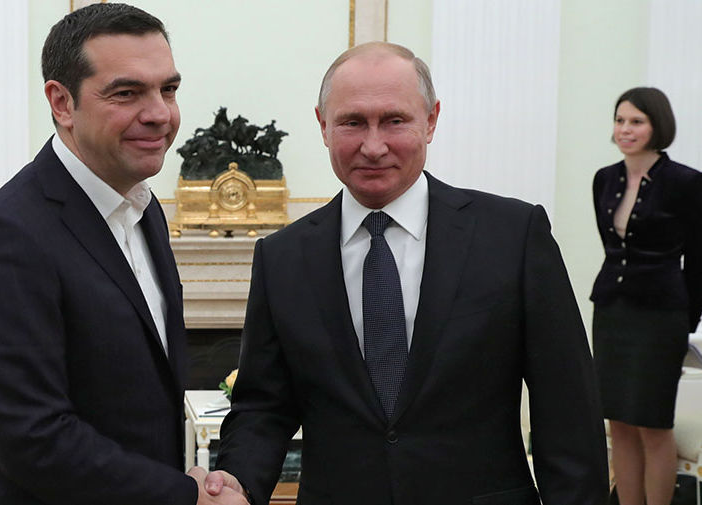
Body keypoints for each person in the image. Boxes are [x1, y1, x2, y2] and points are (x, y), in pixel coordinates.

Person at [208, 42, 609, 504]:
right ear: (323, 126)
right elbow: (263, 407)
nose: (373, 146)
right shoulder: (282, 257)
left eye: (394, 120)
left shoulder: (513, 236)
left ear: (431, 120)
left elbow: (567, 408)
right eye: (352, 122)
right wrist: (236, 482)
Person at [0, 4, 246, 505]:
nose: (160, 114)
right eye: (127, 93)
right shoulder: (2, 238)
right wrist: (184, 496)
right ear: (62, 103)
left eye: (168, 89)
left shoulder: (144, 209)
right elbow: (33, 439)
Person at [590, 87, 702, 505]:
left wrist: (686, 320)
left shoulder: (687, 182)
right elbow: (612, 248)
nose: (625, 129)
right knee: (618, 423)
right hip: (612, 311)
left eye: (636, 121)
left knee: (653, 424)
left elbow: (698, 260)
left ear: (658, 126)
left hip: (661, 317)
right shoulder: (605, 178)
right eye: (620, 120)